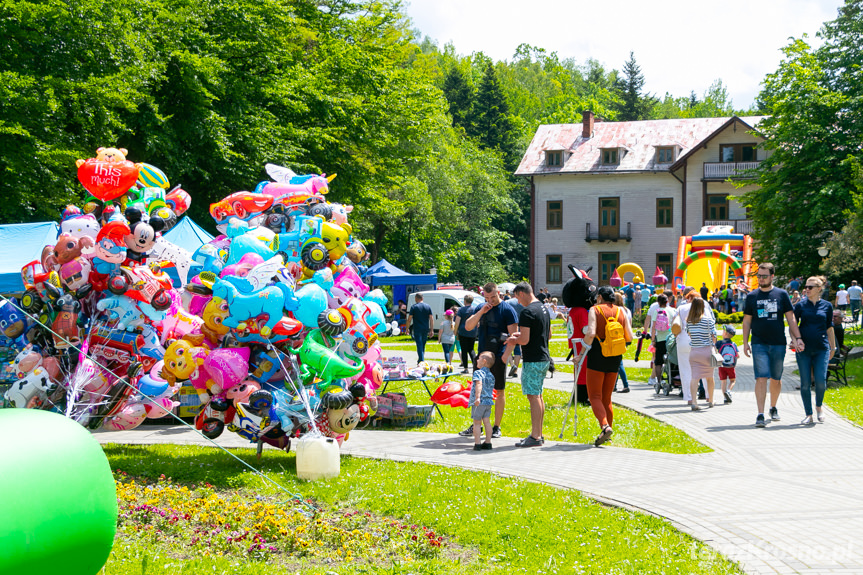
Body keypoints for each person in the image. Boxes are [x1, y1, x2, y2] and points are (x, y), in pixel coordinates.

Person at [742, 263, 804, 427]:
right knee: (761, 377)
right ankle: (760, 413)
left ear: (772, 276)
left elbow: (791, 318)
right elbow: (747, 321)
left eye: (764, 276)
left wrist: (797, 337)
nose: (761, 279)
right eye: (759, 276)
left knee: (776, 378)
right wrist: (745, 342)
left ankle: (773, 407)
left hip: (777, 342)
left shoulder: (781, 294)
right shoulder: (752, 296)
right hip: (758, 343)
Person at [458, 283, 518, 439]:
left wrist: (506, 356)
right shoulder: (481, 307)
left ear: (499, 293)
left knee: (499, 390)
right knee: (477, 390)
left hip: (499, 355)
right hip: (482, 356)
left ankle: (496, 426)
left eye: (493, 297)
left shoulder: (507, 310)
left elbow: (514, 335)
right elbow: (468, 326)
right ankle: (476, 424)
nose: (490, 300)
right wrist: (481, 312)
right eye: (487, 298)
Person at [580, 285, 634, 446]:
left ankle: (604, 426)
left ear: (600, 297)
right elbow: (629, 337)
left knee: (594, 396)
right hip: (615, 356)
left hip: (597, 355)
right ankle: (608, 434)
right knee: (607, 397)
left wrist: (581, 354)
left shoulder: (594, 310)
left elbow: (590, 333)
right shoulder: (621, 311)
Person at [503, 282, 551, 447]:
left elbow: (524, 340)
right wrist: (520, 334)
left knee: (533, 397)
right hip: (544, 357)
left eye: (517, 297)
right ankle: (539, 433)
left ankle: (535, 436)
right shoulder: (543, 308)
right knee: (538, 395)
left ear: (521, 293)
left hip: (533, 359)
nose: (517, 302)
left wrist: (512, 339)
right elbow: (548, 334)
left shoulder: (527, 311)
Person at [794, 276, 836, 425]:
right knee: (805, 383)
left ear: (819, 289)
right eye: (806, 287)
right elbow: (794, 326)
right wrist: (795, 341)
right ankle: (808, 414)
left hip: (821, 349)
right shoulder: (800, 306)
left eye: (810, 287)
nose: (807, 289)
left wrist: (833, 346)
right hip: (803, 350)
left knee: (820, 381)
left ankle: (819, 407)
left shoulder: (827, 306)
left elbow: (829, 327)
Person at [671, 286, 714, 404]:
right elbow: (711, 324)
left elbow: (674, 324)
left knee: (686, 370)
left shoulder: (681, 308)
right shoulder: (704, 305)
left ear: (688, 298)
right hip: (701, 342)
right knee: (706, 370)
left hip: (684, 341)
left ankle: (689, 397)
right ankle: (709, 396)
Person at [685, 297, 717, 410]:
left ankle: (694, 402)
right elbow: (714, 336)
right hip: (706, 352)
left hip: (694, 352)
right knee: (710, 377)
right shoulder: (709, 320)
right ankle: (711, 400)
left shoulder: (689, 321)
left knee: (695, 377)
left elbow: (689, 334)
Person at [648, 293, 676, 387]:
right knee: (671, 359)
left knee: (658, 361)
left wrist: (653, 340)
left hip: (659, 339)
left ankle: (659, 381)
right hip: (670, 339)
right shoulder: (672, 311)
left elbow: (653, 327)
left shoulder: (657, 311)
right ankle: (672, 378)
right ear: (667, 301)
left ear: (658, 302)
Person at [469, 351, 496, 450]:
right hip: (488, 402)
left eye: (479, 358)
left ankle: (477, 443)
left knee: (476, 423)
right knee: (487, 422)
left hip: (479, 402)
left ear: (484, 361)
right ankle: (488, 442)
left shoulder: (478, 372)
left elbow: (479, 384)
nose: (477, 360)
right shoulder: (491, 375)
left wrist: (477, 397)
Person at [612, 292, 632, 392]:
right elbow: (630, 324)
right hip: (625, 337)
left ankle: (625, 385)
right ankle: (614, 385)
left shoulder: (616, 310)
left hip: (617, 337)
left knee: (619, 363)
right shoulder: (627, 310)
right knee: (617, 361)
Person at [405, 294, 433, 363]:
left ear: (416, 298)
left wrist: (407, 328)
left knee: (419, 344)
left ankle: (422, 360)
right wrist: (431, 330)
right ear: (422, 298)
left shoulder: (414, 307)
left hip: (417, 328)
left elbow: (409, 319)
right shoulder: (428, 306)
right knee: (423, 344)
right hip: (425, 328)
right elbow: (431, 319)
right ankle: (420, 359)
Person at [454, 295, 478, 373]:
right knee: (471, 349)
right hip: (473, 331)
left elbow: (457, 321)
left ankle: (466, 368)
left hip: (463, 332)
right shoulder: (475, 309)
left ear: (465, 301)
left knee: (464, 350)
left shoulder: (461, 310)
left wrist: (455, 330)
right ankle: (476, 366)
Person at [716, 325, 739, 404]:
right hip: (731, 366)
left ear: (725, 333)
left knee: (723, 382)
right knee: (733, 380)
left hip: (722, 366)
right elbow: (738, 355)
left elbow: (715, 350)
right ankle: (729, 391)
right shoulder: (734, 344)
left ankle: (725, 398)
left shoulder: (719, 343)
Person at [506, 296, 525, 378]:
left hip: (509, 326)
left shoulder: (508, 302)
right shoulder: (523, 303)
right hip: (520, 327)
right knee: (518, 349)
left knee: (509, 346)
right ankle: (516, 370)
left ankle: (512, 365)